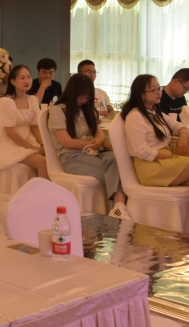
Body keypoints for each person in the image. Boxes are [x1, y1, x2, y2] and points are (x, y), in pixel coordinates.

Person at [122, 74, 189, 234]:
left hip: (164, 161)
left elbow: (179, 126)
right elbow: (140, 150)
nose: (159, 92)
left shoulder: (154, 112)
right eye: (154, 90)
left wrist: (183, 137)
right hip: (150, 167)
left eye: (158, 88)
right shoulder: (135, 116)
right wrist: (167, 156)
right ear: (141, 94)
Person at [48, 74, 130, 219]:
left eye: (88, 96)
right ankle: (119, 207)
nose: (84, 99)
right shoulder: (58, 110)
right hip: (72, 157)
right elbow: (67, 142)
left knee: (118, 161)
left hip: (94, 152)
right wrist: (93, 143)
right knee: (115, 171)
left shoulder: (87, 110)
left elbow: (99, 133)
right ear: (72, 91)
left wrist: (99, 141)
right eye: (82, 95)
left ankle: (118, 206)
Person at [0, 64, 49, 179]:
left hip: (28, 139)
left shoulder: (32, 100)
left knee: (52, 158)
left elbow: (34, 126)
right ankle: (41, 191)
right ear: (13, 82)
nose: (27, 81)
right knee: (43, 163)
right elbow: (10, 132)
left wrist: (43, 144)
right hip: (10, 144)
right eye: (22, 78)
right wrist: (33, 148)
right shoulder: (6, 101)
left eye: (29, 77)